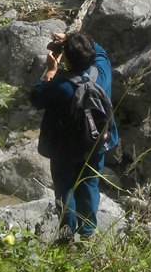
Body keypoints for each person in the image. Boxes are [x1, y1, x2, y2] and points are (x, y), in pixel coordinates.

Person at [30, 31, 118, 244]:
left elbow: (36, 98)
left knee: (65, 189)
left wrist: (51, 70)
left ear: (66, 59)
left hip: (65, 150)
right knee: (89, 183)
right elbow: (102, 53)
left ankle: (67, 234)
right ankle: (88, 234)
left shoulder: (60, 86)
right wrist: (76, 39)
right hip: (95, 144)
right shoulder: (102, 74)